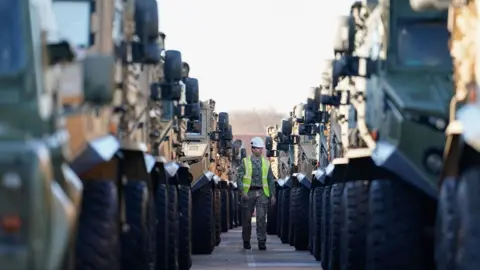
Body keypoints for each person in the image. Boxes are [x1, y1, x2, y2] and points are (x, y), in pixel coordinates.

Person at [236, 137, 276, 250]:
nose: (260, 150)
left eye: (261, 148)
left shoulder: (266, 163)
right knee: (247, 219)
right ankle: (246, 240)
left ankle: (262, 241)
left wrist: (272, 195)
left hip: (262, 193)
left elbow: (270, 180)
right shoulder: (245, 162)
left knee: (261, 218)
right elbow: (239, 178)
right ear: (252, 149)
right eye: (258, 148)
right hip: (248, 193)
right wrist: (242, 192)